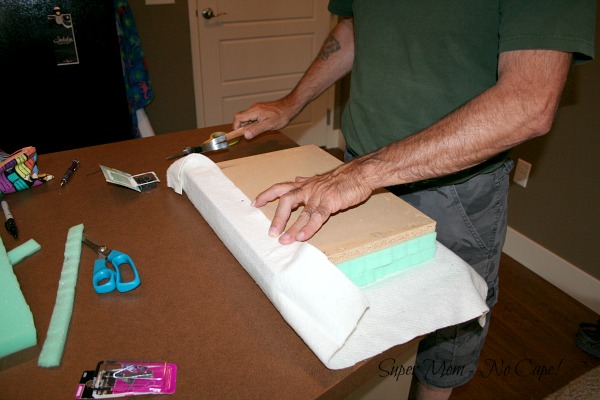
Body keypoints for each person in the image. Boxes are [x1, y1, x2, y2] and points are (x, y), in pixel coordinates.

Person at [232, 1, 596, 399]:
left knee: (445, 335)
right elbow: (352, 28)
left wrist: (363, 173)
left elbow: (529, 103)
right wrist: (290, 103)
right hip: (357, 168)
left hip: (454, 190)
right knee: (354, 314)